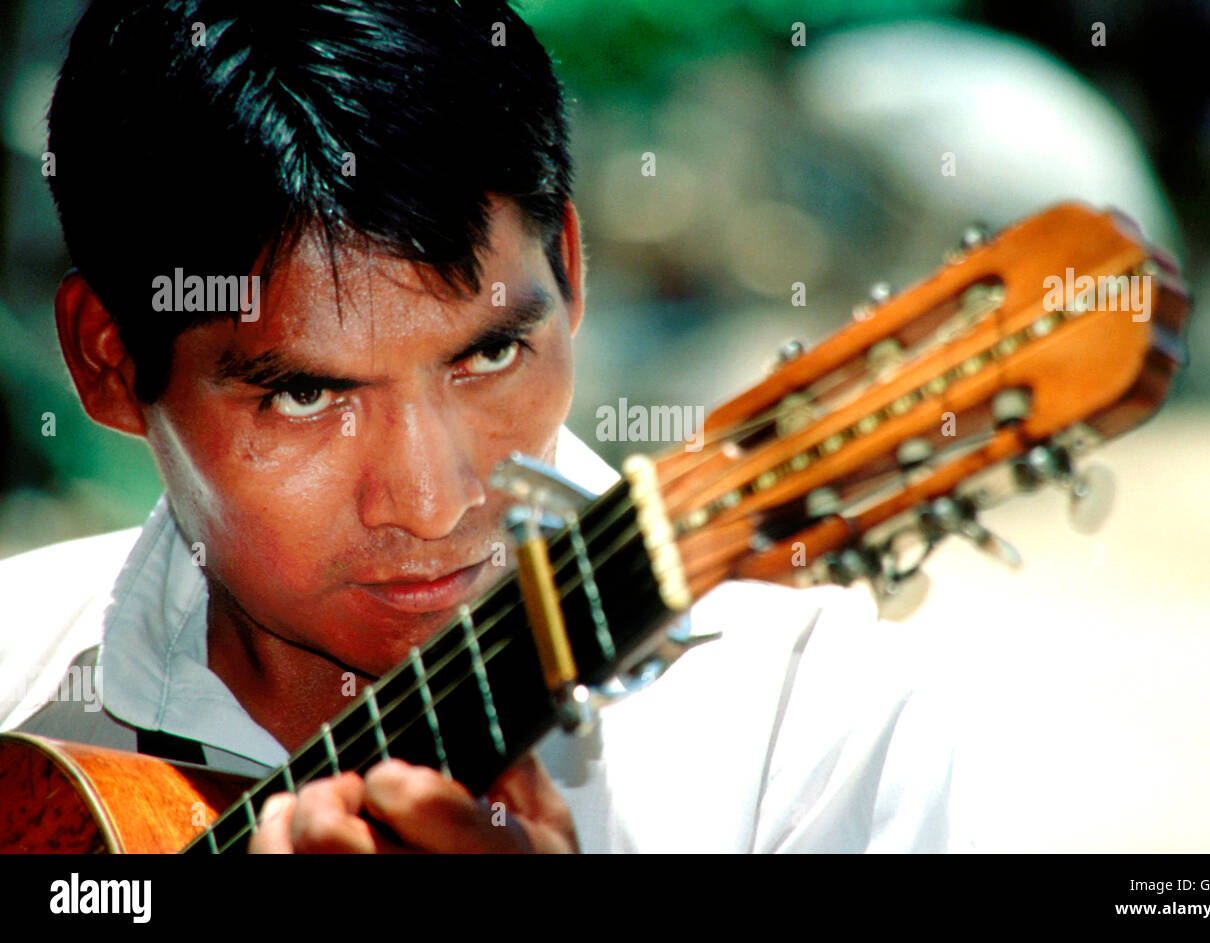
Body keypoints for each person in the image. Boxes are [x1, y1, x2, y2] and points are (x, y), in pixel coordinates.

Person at [0, 0, 958, 853]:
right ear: (109, 362)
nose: (433, 502)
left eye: (489, 355)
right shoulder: (18, 684)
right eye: (305, 397)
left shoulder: (807, 731)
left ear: (569, 270)